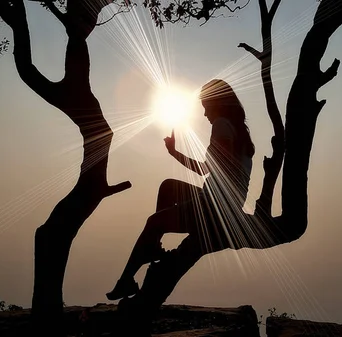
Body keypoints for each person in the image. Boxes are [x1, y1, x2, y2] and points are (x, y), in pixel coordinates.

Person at [106, 79, 255, 301]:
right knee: (169, 186)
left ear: (216, 103)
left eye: (205, 106)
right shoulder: (237, 130)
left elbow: (213, 169)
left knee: (154, 222)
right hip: (223, 202)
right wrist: (174, 152)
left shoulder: (222, 125)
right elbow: (210, 169)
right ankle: (154, 248)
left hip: (215, 208)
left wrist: (175, 154)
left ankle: (126, 280)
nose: (204, 113)